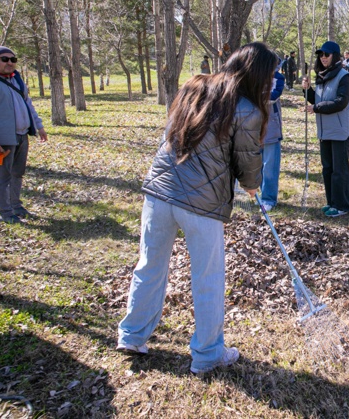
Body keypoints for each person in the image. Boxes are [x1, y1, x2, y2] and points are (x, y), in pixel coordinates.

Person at [116, 42, 277, 373]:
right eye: (270, 74)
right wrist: (252, 184)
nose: (272, 81)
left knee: (149, 265)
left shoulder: (195, 85)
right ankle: (207, 354)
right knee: (208, 277)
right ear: (257, 73)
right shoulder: (247, 108)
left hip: (159, 193)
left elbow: (173, 134)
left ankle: (131, 335)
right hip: (200, 203)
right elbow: (247, 159)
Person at [302, 41, 349, 216]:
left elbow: (341, 102)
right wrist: (307, 90)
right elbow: (317, 100)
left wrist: (316, 108)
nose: (323, 58)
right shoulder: (322, 77)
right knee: (328, 169)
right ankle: (332, 202)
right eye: (321, 55)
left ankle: (342, 206)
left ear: (335, 56)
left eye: (327, 54)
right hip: (324, 131)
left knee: (339, 170)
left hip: (339, 130)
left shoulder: (344, 77)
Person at [0, 46, 48, 225]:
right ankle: (6, 213)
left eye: (13, 59)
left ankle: (16, 207)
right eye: (4, 59)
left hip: (21, 135)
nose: (10, 63)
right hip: (3, 139)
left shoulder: (17, 80)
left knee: (17, 173)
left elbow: (28, 104)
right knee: (2, 177)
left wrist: (39, 126)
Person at [259, 71, 285, 211]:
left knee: (269, 166)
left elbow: (273, 96)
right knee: (256, 165)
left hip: (271, 128)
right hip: (253, 127)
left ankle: (268, 198)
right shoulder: (252, 74)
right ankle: (261, 194)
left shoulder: (277, 77)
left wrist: (255, 95)